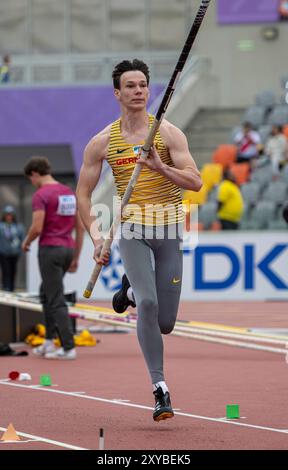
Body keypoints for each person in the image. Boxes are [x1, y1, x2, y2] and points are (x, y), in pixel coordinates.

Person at [76, 59, 202, 421]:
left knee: (165, 322)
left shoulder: (167, 134)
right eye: (130, 86)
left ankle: (128, 291)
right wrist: (98, 240)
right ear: (117, 93)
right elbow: (83, 195)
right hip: (132, 231)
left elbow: (195, 182)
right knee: (148, 306)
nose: (138, 91)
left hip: (168, 229)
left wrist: (159, 167)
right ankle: (160, 388)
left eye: (143, 85)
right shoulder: (103, 142)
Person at [23, 156, 84, 360]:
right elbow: (80, 227)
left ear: (35, 174)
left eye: (30, 179)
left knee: (55, 298)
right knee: (46, 292)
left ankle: (68, 347)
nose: (32, 183)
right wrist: (76, 256)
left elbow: (37, 227)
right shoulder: (68, 192)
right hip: (67, 249)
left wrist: (27, 241)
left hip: (50, 249)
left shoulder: (41, 195)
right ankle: (49, 341)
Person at [0, 205, 25, 291]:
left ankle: (11, 287)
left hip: (14, 253)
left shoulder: (18, 227)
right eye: (7, 215)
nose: (9, 217)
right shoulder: (1, 226)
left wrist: (21, 250)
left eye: (10, 215)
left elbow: (22, 239)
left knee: (13, 270)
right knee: (5, 270)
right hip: (3, 253)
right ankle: (5, 286)